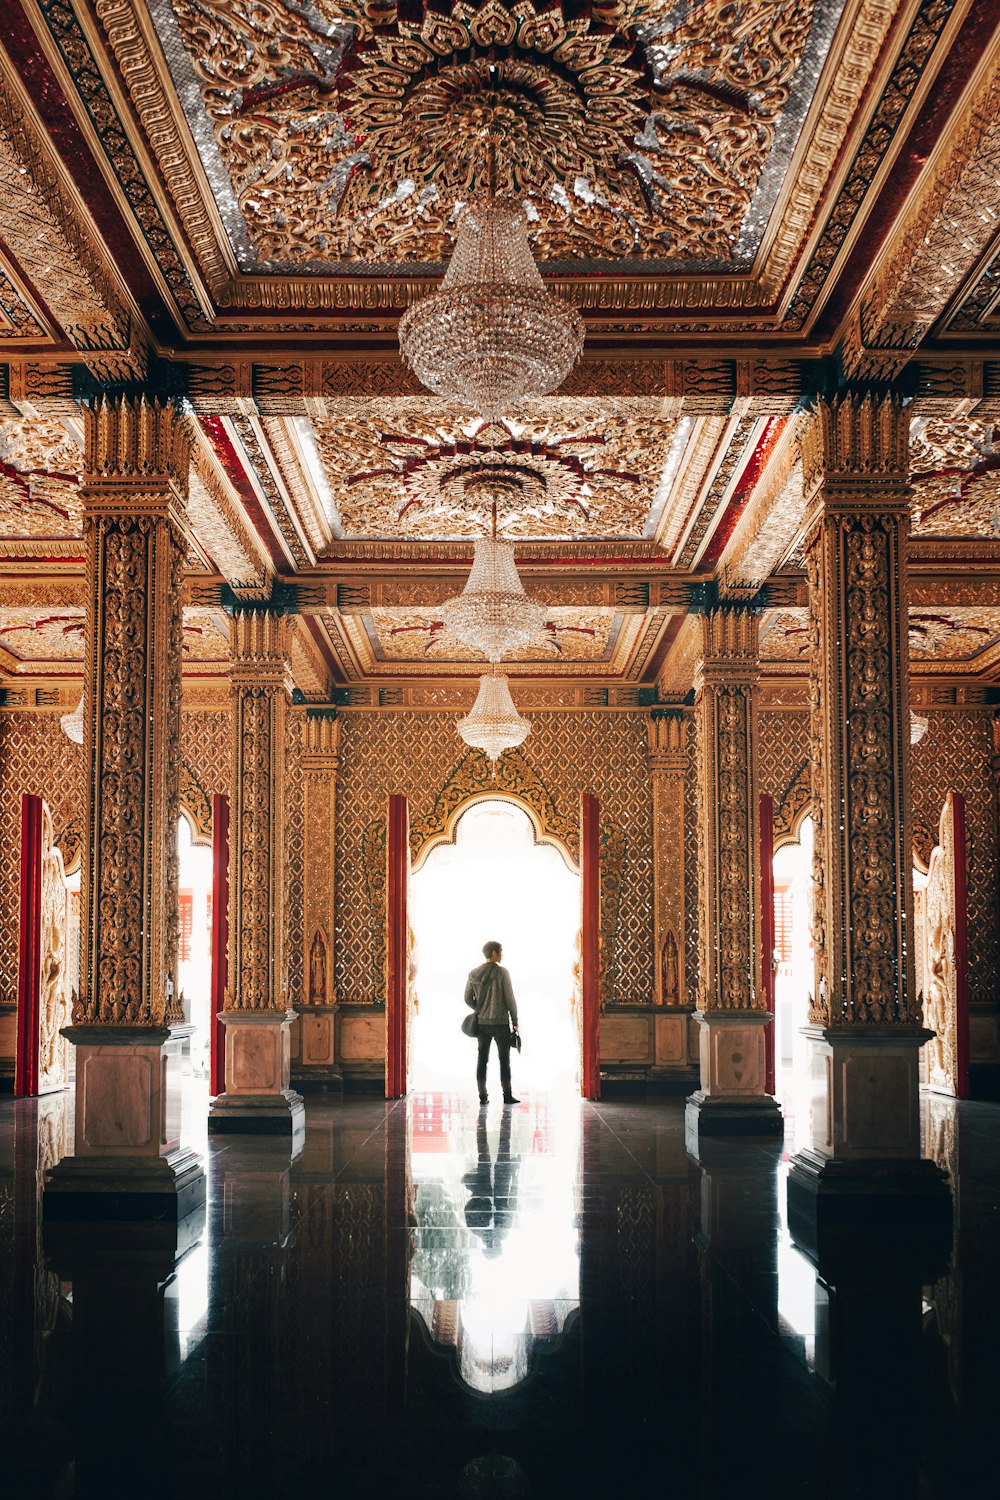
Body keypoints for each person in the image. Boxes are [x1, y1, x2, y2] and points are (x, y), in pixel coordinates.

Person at [464, 940, 520, 1106]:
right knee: (504, 1060)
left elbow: (467, 998)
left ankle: (483, 1096)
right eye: (500, 951)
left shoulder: (473, 973)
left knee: (482, 1059)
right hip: (501, 1023)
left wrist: (480, 1009)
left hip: (482, 1024)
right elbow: (510, 999)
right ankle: (507, 1095)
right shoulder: (502, 973)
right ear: (494, 953)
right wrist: (515, 1021)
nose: (502, 955)